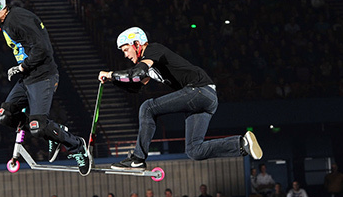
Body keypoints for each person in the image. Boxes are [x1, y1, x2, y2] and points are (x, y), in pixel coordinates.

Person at [98, 27, 262, 170]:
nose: (125, 55)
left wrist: (111, 74)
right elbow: (135, 86)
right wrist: (113, 81)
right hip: (206, 99)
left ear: (136, 44)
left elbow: (136, 73)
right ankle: (241, 144)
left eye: (126, 50)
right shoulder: (148, 64)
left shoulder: (152, 50)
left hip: (199, 91)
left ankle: (138, 159)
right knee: (194, 151)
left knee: (147, 107)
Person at [0, 0, 90, 175]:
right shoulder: (6, 22)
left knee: (37, 127)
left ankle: (77, 146)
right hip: (28, 77)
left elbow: (44, 49)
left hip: (43, 76)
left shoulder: (18, 19)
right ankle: (52, 131)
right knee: (6, 115)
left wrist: (22, 67)